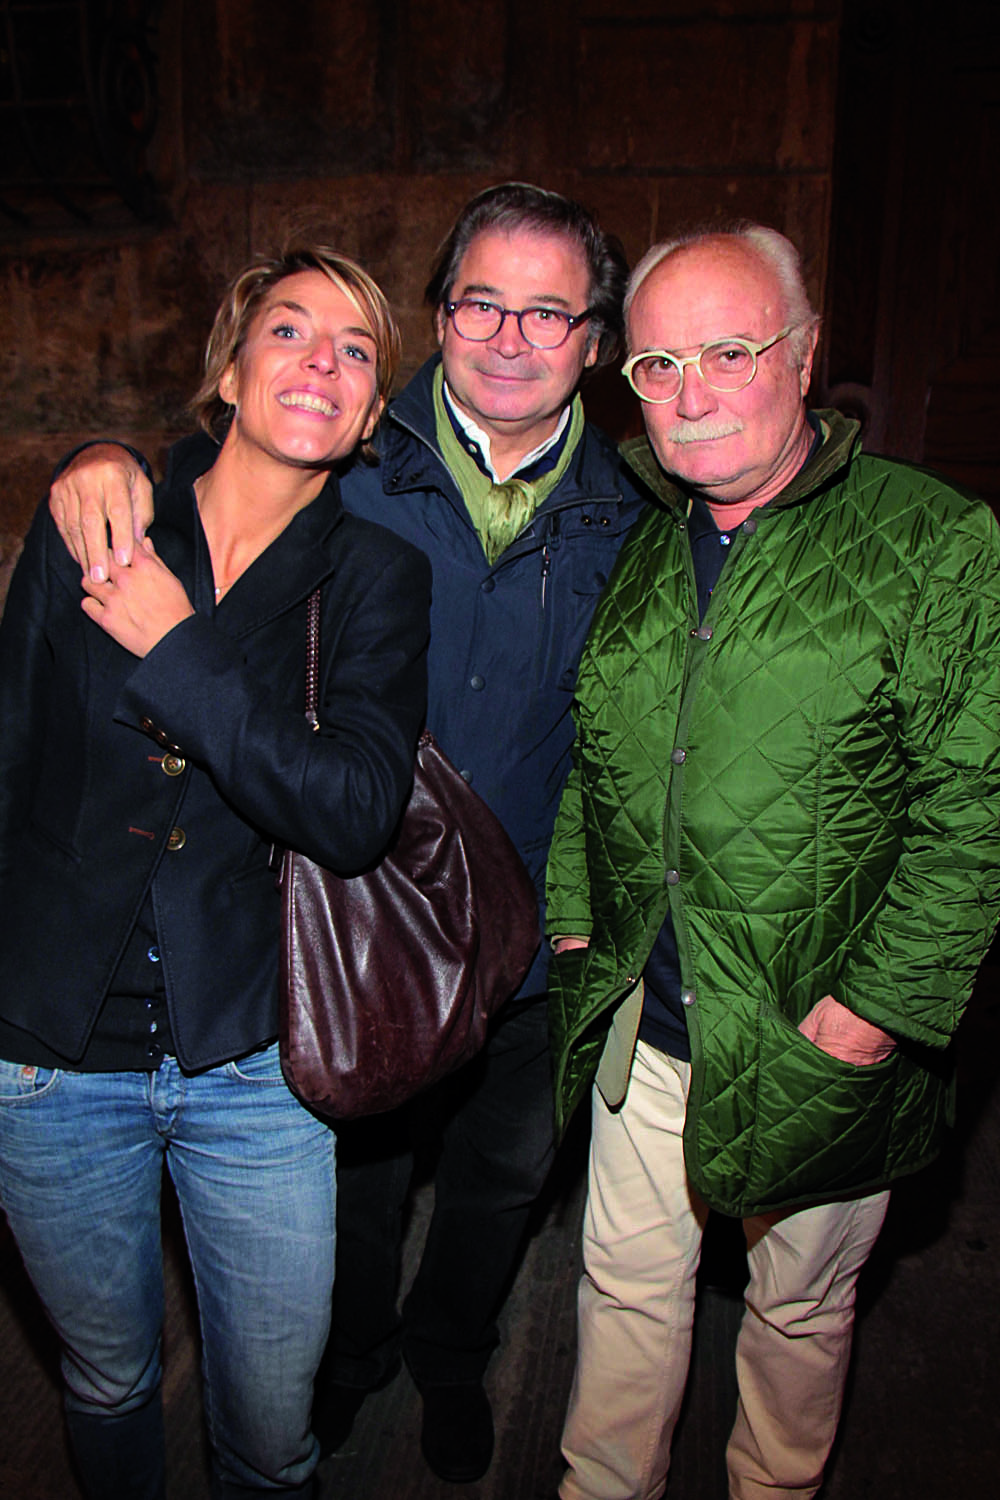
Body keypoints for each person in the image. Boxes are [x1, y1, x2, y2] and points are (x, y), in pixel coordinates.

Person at [45, 183, 651, 1484]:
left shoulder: (634, 514)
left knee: (494, 1185)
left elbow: (645, 732)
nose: (507, 335)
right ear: (442, 316)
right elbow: (219, 472)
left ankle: (448, 1360)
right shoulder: (366, 463)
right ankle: (353, 1362)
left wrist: (598, 878)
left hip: (539, 923)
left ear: (595, 343)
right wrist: (103, 457)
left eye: (548, 312)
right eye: (479, 301)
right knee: (361, 1190)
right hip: (344, 919)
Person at [545, 223, 1000, 1500]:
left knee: (796, 1316)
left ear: (803, 355)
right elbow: (594, 757)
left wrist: (871, 1020)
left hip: (814, 1033)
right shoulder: (641, 538)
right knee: (623, 1291)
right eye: (653, 366)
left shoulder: (937, 542)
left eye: (728, 352)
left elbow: (978, 810)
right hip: (648, 1021)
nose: (688, 396)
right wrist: (583, 930)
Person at [0, 241, 430, 1500]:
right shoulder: (98, 516)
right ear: (231, 371)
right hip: (45, 1058)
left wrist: (177, 646)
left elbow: (352, 814)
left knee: (269, 1431)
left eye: (357, 351)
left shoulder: (374, 580)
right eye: (291, 331)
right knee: (109, 1380)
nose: (324, 363)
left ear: (365, 420)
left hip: (255, 1064)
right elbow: (11, 750)